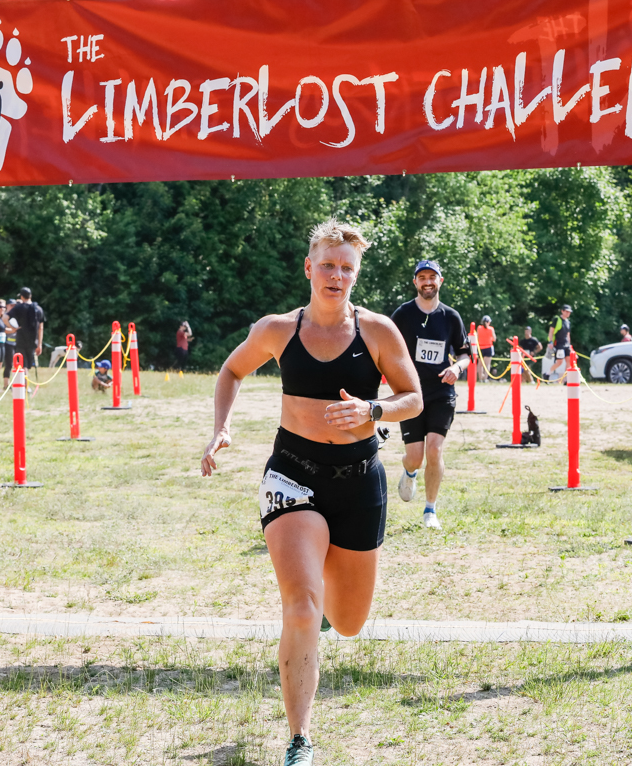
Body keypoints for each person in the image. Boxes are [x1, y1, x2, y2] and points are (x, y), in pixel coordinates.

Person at [200, 219, 422, 766]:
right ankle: (299, 740)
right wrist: (222, 427)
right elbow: (231, 371)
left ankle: (321, 594)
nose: (336, 275)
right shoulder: (277, 329)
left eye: (346, 268)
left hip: (359, 478)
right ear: (309, 267)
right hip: (292, 474)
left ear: (356, 275)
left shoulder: (377, 332)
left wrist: (374, 409)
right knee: (300, 609)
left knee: (348, 622)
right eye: (327, 264)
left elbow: (413, 398)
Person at [390, 260, 469, 529]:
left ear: (440, 281)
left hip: (441, 392)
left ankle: (430, 510)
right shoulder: (402, 314)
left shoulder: (451, 317)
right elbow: (386, 346)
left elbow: (465, 354)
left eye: (432, 277)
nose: (427, 282)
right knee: (415, 457)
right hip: (411, 393)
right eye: (422, 277)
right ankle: (409, 471)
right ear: (415, 282)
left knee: (434, 450)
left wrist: (457, 368)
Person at [6, 288, 45, 378]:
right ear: (30, 296)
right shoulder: (38, 309)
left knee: (23, 364)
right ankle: (25, 383)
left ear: (21, 296)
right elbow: (41, 328)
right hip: (33, 341)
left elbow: (5, 318)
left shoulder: (18, 308)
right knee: (27, 366)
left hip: (21, 340)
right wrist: (39, 344)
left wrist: (13, 328)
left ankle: (24, 383)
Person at [547, 304, 573, 380]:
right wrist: (550, 342)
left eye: (569, 312)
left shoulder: (568, 322)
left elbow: (568, 335)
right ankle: (547, 373)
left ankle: (566, 379)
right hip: (559, 343)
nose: (568, 313)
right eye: (566, 311)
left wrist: (570, 345)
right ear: (562, 311)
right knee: (559, 362)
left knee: (569, 361)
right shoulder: (557, 319)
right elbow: (551, 332)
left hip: (566, 344)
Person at [475, 316, 496, 381]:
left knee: (480, 364)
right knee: (487, 364)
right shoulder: (491, 329)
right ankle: (485, 379)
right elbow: (494, 339)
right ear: (489, 322)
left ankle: (480, 379)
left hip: (480, 348)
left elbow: (477, 337)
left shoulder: (479, 328)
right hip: (488, 347)